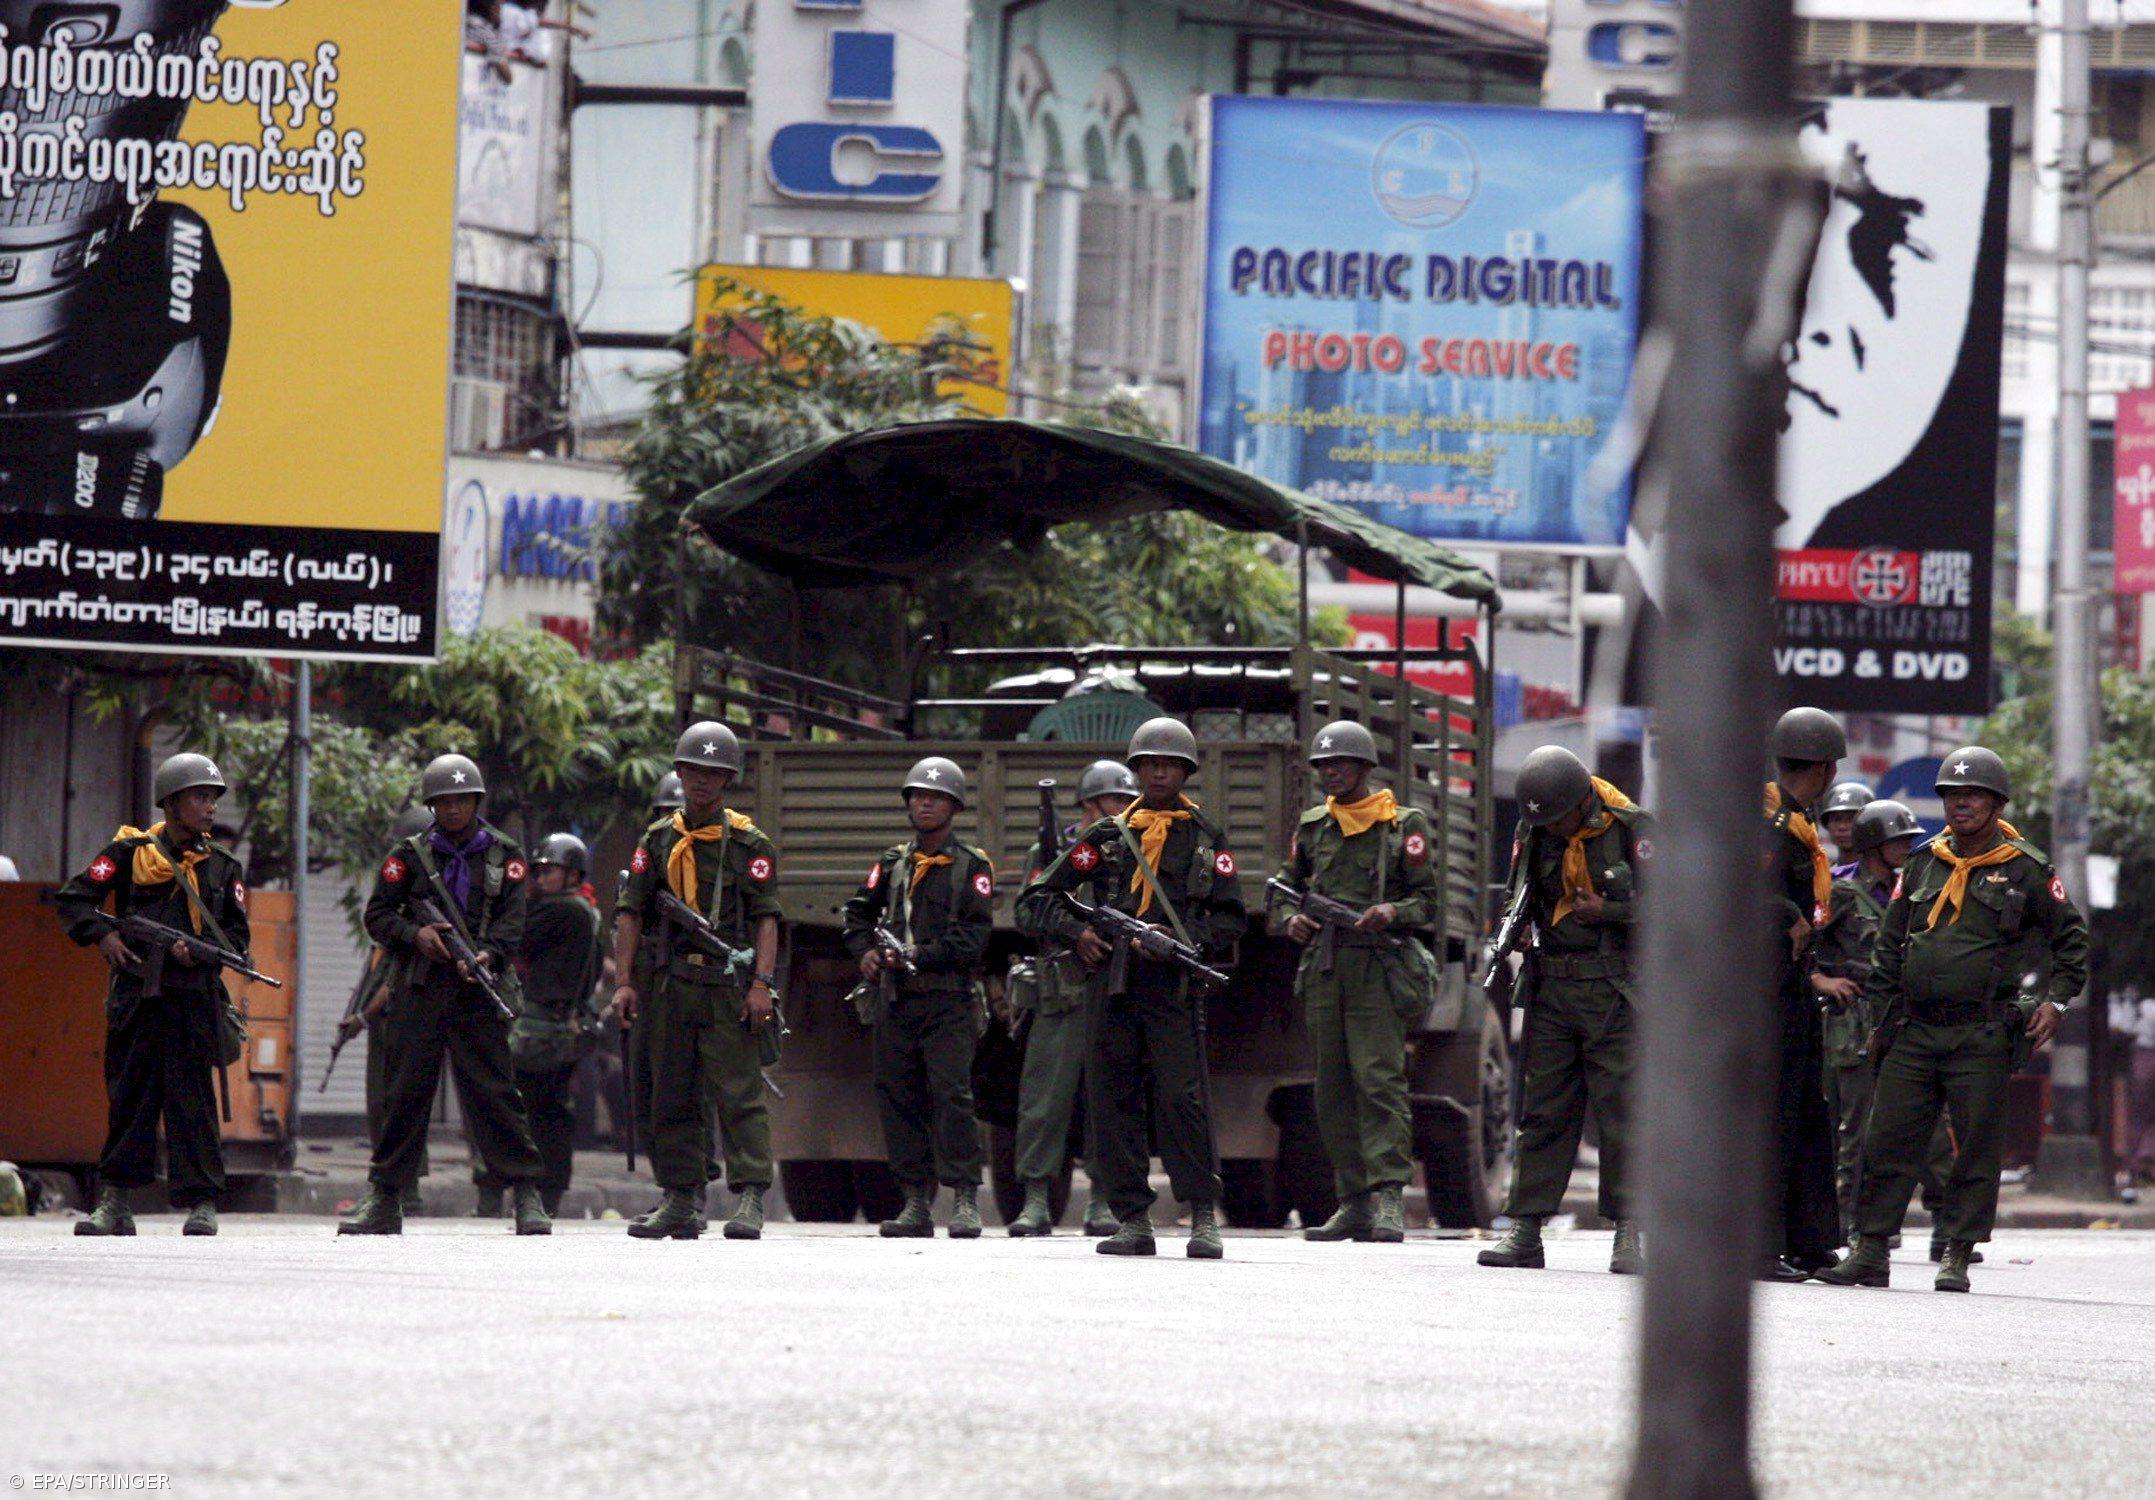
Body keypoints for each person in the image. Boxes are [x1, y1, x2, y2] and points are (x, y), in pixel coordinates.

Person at [1819, 749, 2088, 1292]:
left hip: (1981, 1031)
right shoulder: (1923, 862)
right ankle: (1870, 1250)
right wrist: (1882, 1020)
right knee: (1886, 1140)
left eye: (1974, 795)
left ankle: (1957, 1253)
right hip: (1913, 1030)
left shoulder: (2026, 867)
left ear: (1996, 803)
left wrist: (2054, 1004)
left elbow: (2072, 944)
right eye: (1951, 795)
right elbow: (1891, 945)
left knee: (1975, 1147)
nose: (1961, 803)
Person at [1018, 717, 1244, 1260]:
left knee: (1183, 1099)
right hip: (1113, 984)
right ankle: (1132, 1218)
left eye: (1169, 763)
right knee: (1112, 1096)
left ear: (1186, 770)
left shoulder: (1207, 837)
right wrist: (1082, 933)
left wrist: (1179, 937)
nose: (1159, 771)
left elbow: (1232, 919)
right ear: (1137, 769)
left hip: (1173, 987)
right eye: (1149, 763)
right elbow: (1036, 901)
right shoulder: (1106, 836)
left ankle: (1203, 1216)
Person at [340, 754, 550, 1236]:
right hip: (421, 987)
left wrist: (489, 957)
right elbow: (378, 917)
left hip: (478, 988)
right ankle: (387, 1196)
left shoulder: (505, 853)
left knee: (496, 1093)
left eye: (462, 800)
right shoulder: (408, 857)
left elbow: (512, 923)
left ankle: (526, 1194)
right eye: (444, 802)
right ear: (432, 805)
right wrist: (417, 936)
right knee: (404, 1093)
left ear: (477, 801)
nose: (453, 809)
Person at [55, 753, 252, 1237]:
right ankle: (116, 1202)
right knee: (129, 1099)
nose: (210, 807)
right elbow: (76, 898)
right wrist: (104, 938)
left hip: (193, 999)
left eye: (212, 798)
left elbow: (237, 941)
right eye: (200, 797)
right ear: (172, 803)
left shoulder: (223, 867)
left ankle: (201, 1202)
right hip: (137, 997)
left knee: (194, 1103)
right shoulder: (129, 853)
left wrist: (199, 955)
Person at [1477, 746, 1649, 1274]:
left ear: (1582, 802)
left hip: (1615, 990)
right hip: (1551, 987)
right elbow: (1518, 892)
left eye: (1559, 818)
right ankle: (1526, 1229)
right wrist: (1517, 927)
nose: (1552, 828)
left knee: (1622, 1113)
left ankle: (1628, 1233)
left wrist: (1611, 911)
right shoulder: (1536, 829)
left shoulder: (1632, 827)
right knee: (1543, 1110)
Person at [611, 724, 782, 1241]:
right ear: (680, 773)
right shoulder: (658, 840)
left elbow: (767, 919)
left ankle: (750, 1194)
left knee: (738, 1092)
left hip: (728, 985)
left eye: (714, 773)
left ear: (727, 779)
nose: (702, 781)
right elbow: (630, 913)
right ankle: (681, 1197)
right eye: (694, 771)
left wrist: (761, 985)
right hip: (671, 984)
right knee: (672, 1093)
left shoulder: (751, 843)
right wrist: (624, 981)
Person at [1273, 720, 1442, 1246]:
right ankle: (1353, 1201)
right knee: (1331, 1088)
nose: (1331, 772)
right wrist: (1290, 920)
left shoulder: (1402, 825)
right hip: (1325, 967)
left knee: (1379, 1081)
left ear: (1367, 767)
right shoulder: (1312, 827)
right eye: (1323, 764)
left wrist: (1390, 911)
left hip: (1377, 966)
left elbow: (1429, 901)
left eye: (1341, 763)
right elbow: (1285, 890)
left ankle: (1389, 1196)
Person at [843, 757, 996, 1239]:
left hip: (948, 1001)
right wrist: (867, 953)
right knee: (897, 1096)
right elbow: (857, 915)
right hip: (896, 1000)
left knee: (952, 1097)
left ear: (953, 806)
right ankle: (914, 1200)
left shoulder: (971, 866)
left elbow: (973, 940)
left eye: (935, 797)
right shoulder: (892, 864)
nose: (924, 803)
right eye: (917, 796)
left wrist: (917, 954)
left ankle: (966, 1198)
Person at [1008, 759, 1137, 1238]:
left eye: (1129, 800)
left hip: (1114, 985)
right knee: (1044, 1097)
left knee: (1109, 1096)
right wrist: (1072, 929)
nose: (1124, 809)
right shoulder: (1053, 852)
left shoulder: (1135, 852)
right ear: (1089, 804)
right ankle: (1036, 1197)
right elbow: (1027, 910)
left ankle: (1103, 1198)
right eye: (1115, 800)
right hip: (1060, 989)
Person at [1759, 707, 1847, 1280]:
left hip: (1792, 990)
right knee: (1771, 1120)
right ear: (1822, 766)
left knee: (1807, 1119)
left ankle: (1810, 1241)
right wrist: (1787, 912)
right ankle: (1758, 1248)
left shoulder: (1796, 824)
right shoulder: (1769, 825)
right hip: (1762, 993)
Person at [474, 833, 604, 1219]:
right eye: (540, 871)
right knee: (550, 1114)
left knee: (517, 1109)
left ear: (573, 875)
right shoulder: (585, 909)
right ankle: (540, 1194)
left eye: (551, 871)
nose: (542, 877)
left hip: (540, 1030)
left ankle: (506, 1193)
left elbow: (513, 936)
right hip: (558, 1029)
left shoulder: (564, 911)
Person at [1810, 797, 1919, 1239]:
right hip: (1850, 1020)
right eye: (1898, 841)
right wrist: (1821, 980)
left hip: (1891, 1016)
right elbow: (1799, 941)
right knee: (1851, 1127)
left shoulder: (1906, 890)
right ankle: (1840, 1223)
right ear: (1875, 844)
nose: (1906, 848)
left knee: (1887, 1127)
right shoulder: (1840, 891)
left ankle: (1872, 1221)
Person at [620, 771, 685, 1168]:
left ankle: (690, 1184)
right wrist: (623, 983)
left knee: (690, 1091)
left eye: (676, 813)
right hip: (650, 986)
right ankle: (668, 1181)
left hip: (695, 984)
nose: (670, 822)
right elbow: (625, 921)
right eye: (663, 813)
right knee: (646, 1087)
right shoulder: (642, 865)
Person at [1819, 781, 1874, 868]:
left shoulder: (1894, 877)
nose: (1842, 826)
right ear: (1827, 824)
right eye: (1836, 819)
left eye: (1852, 819)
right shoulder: (1822, 875)